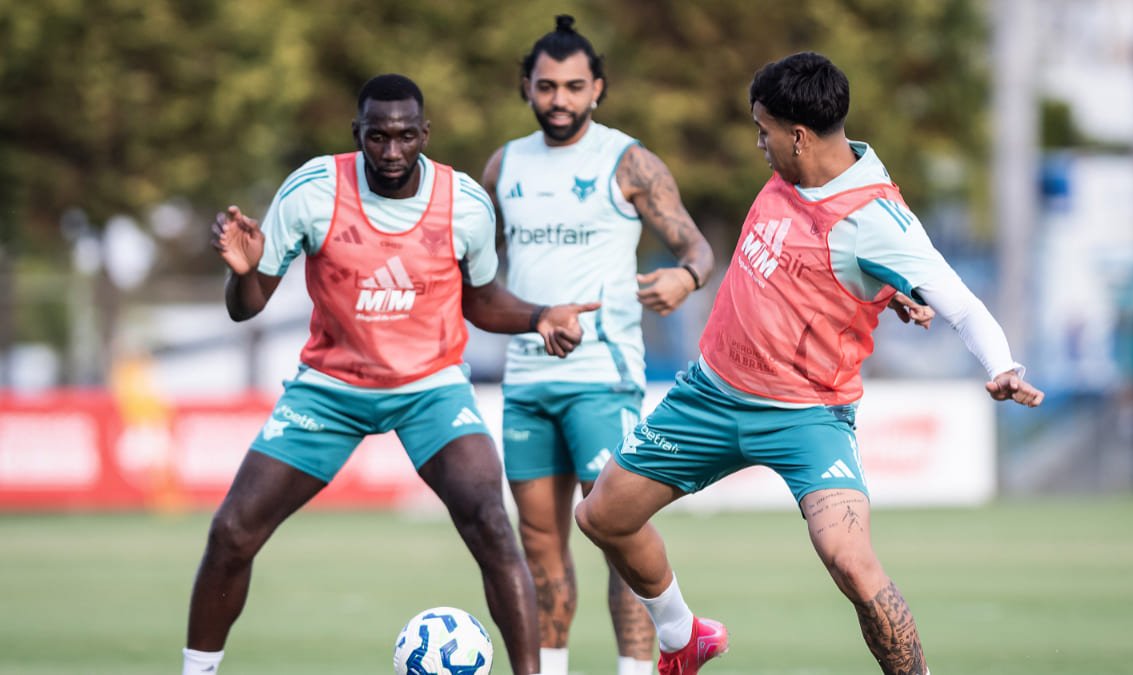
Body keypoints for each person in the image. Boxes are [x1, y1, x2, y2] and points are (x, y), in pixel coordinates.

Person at [575, 52, 1044, 675]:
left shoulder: (877, 220)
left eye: (764, 130)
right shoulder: (794, 174)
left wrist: (1003, 363)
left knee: (849, 561)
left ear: (798, 137)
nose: (758, 142)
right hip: (709, 396)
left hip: (807, 417)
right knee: (602, 515)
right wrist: (883, 293)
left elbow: (960, 304)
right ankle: (683, 637)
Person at [184, 73, 595, 675]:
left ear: (425, 134)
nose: (393, 151)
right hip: (331, 390)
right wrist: (242, 273)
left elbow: (478, 302)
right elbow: (247, 306)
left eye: (406, 136)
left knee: (490, 522)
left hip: (429, 387)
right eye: (378, 137)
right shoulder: (313, 191)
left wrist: (539, 317)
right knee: (232, 531)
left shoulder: (466, 205)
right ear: (359, 134)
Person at [478, 15, 715, 675]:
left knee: (617, 530)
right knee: (539, 543)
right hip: (525, 380)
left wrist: (685, 275)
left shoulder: (629, 161)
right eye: (547, 86)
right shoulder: (504, 165)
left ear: (598, 88)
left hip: (602, 377)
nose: (561, 100)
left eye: (575, 86)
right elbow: (478, 272)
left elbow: (697, 246)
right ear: (526, 86)